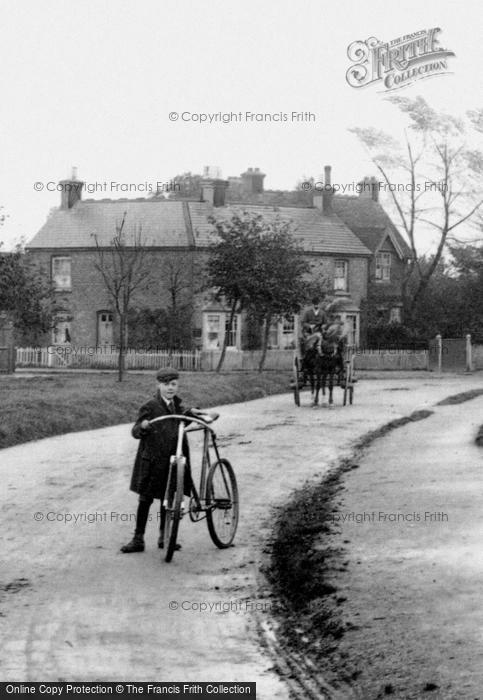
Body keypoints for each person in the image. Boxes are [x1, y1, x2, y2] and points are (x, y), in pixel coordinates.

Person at [120, 367, 210, 554]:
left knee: (167, 498)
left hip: (173, 459)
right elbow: (136, 431)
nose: (170, 388)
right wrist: (142, 426)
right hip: (152, 460)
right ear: (158, 385)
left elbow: (190, 414)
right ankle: (138, 538)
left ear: (178, 385)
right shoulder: (150, 406)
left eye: (173, 384)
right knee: (145, 498)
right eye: (166, 384)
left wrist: (200, 414)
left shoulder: (179, 406)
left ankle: (165, 536)